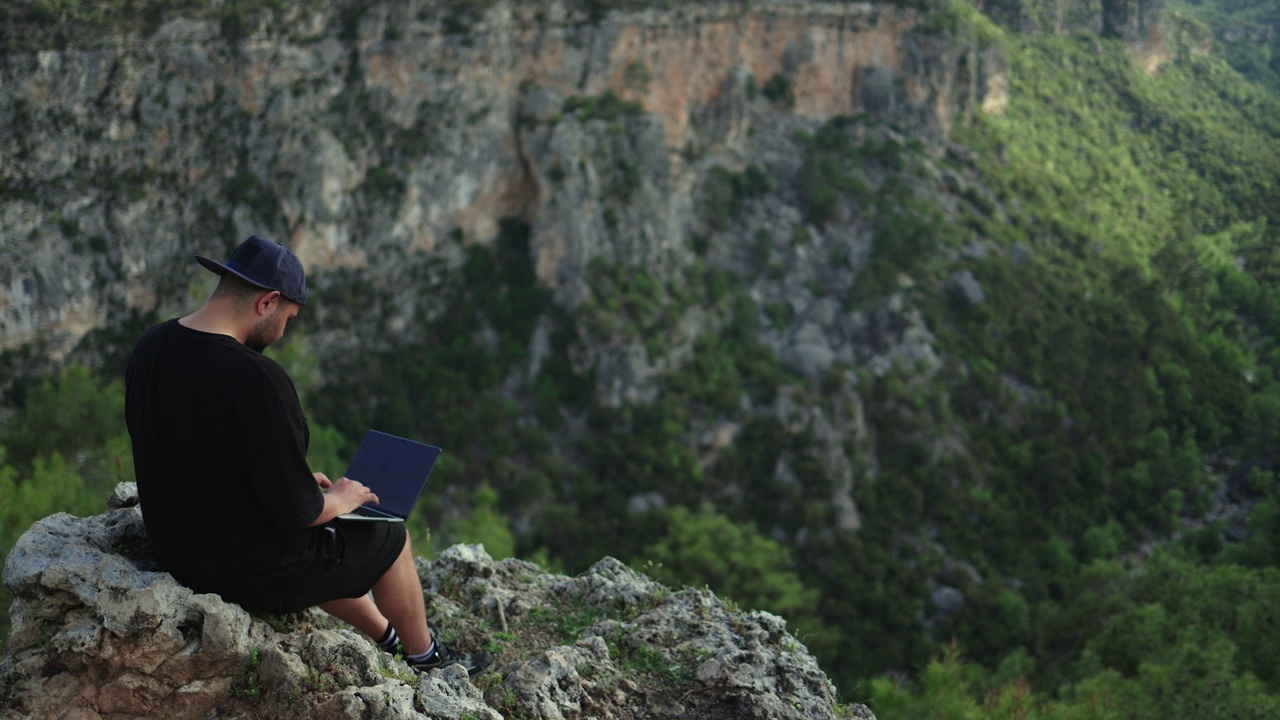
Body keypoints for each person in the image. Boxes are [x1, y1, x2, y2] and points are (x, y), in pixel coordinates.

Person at [124, 234, 492, 676]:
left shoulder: (151, 346)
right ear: (269, 302)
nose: (282, 332)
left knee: (327, 541)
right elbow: (295, 513)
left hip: (177, 547)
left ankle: (388, 638)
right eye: (289, 319)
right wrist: (337, 499)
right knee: (389, 538)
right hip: (238, 571)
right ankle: (426, 657)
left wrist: (292, 479)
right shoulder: (256, 378)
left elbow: (199, 456)